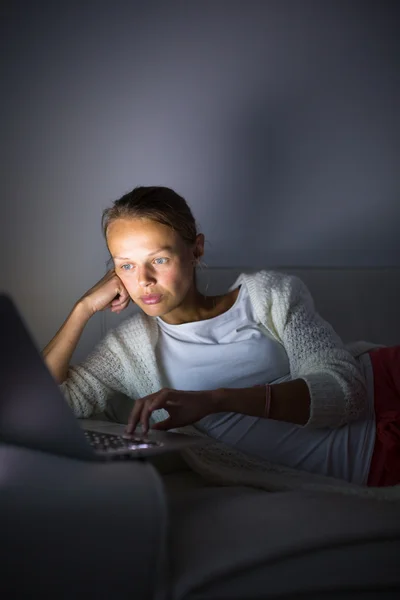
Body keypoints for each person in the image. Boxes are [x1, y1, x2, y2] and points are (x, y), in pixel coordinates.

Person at [43, 186, 400, 488]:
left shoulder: (267, 295)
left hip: (385, 381)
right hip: (370, 460)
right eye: (126, 265)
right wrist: (83, 309)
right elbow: (45, 407)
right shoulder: (126, 350)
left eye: (160, 260)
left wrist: (217, 400)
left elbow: (346, 391)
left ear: (196, 249)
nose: (144, 280)